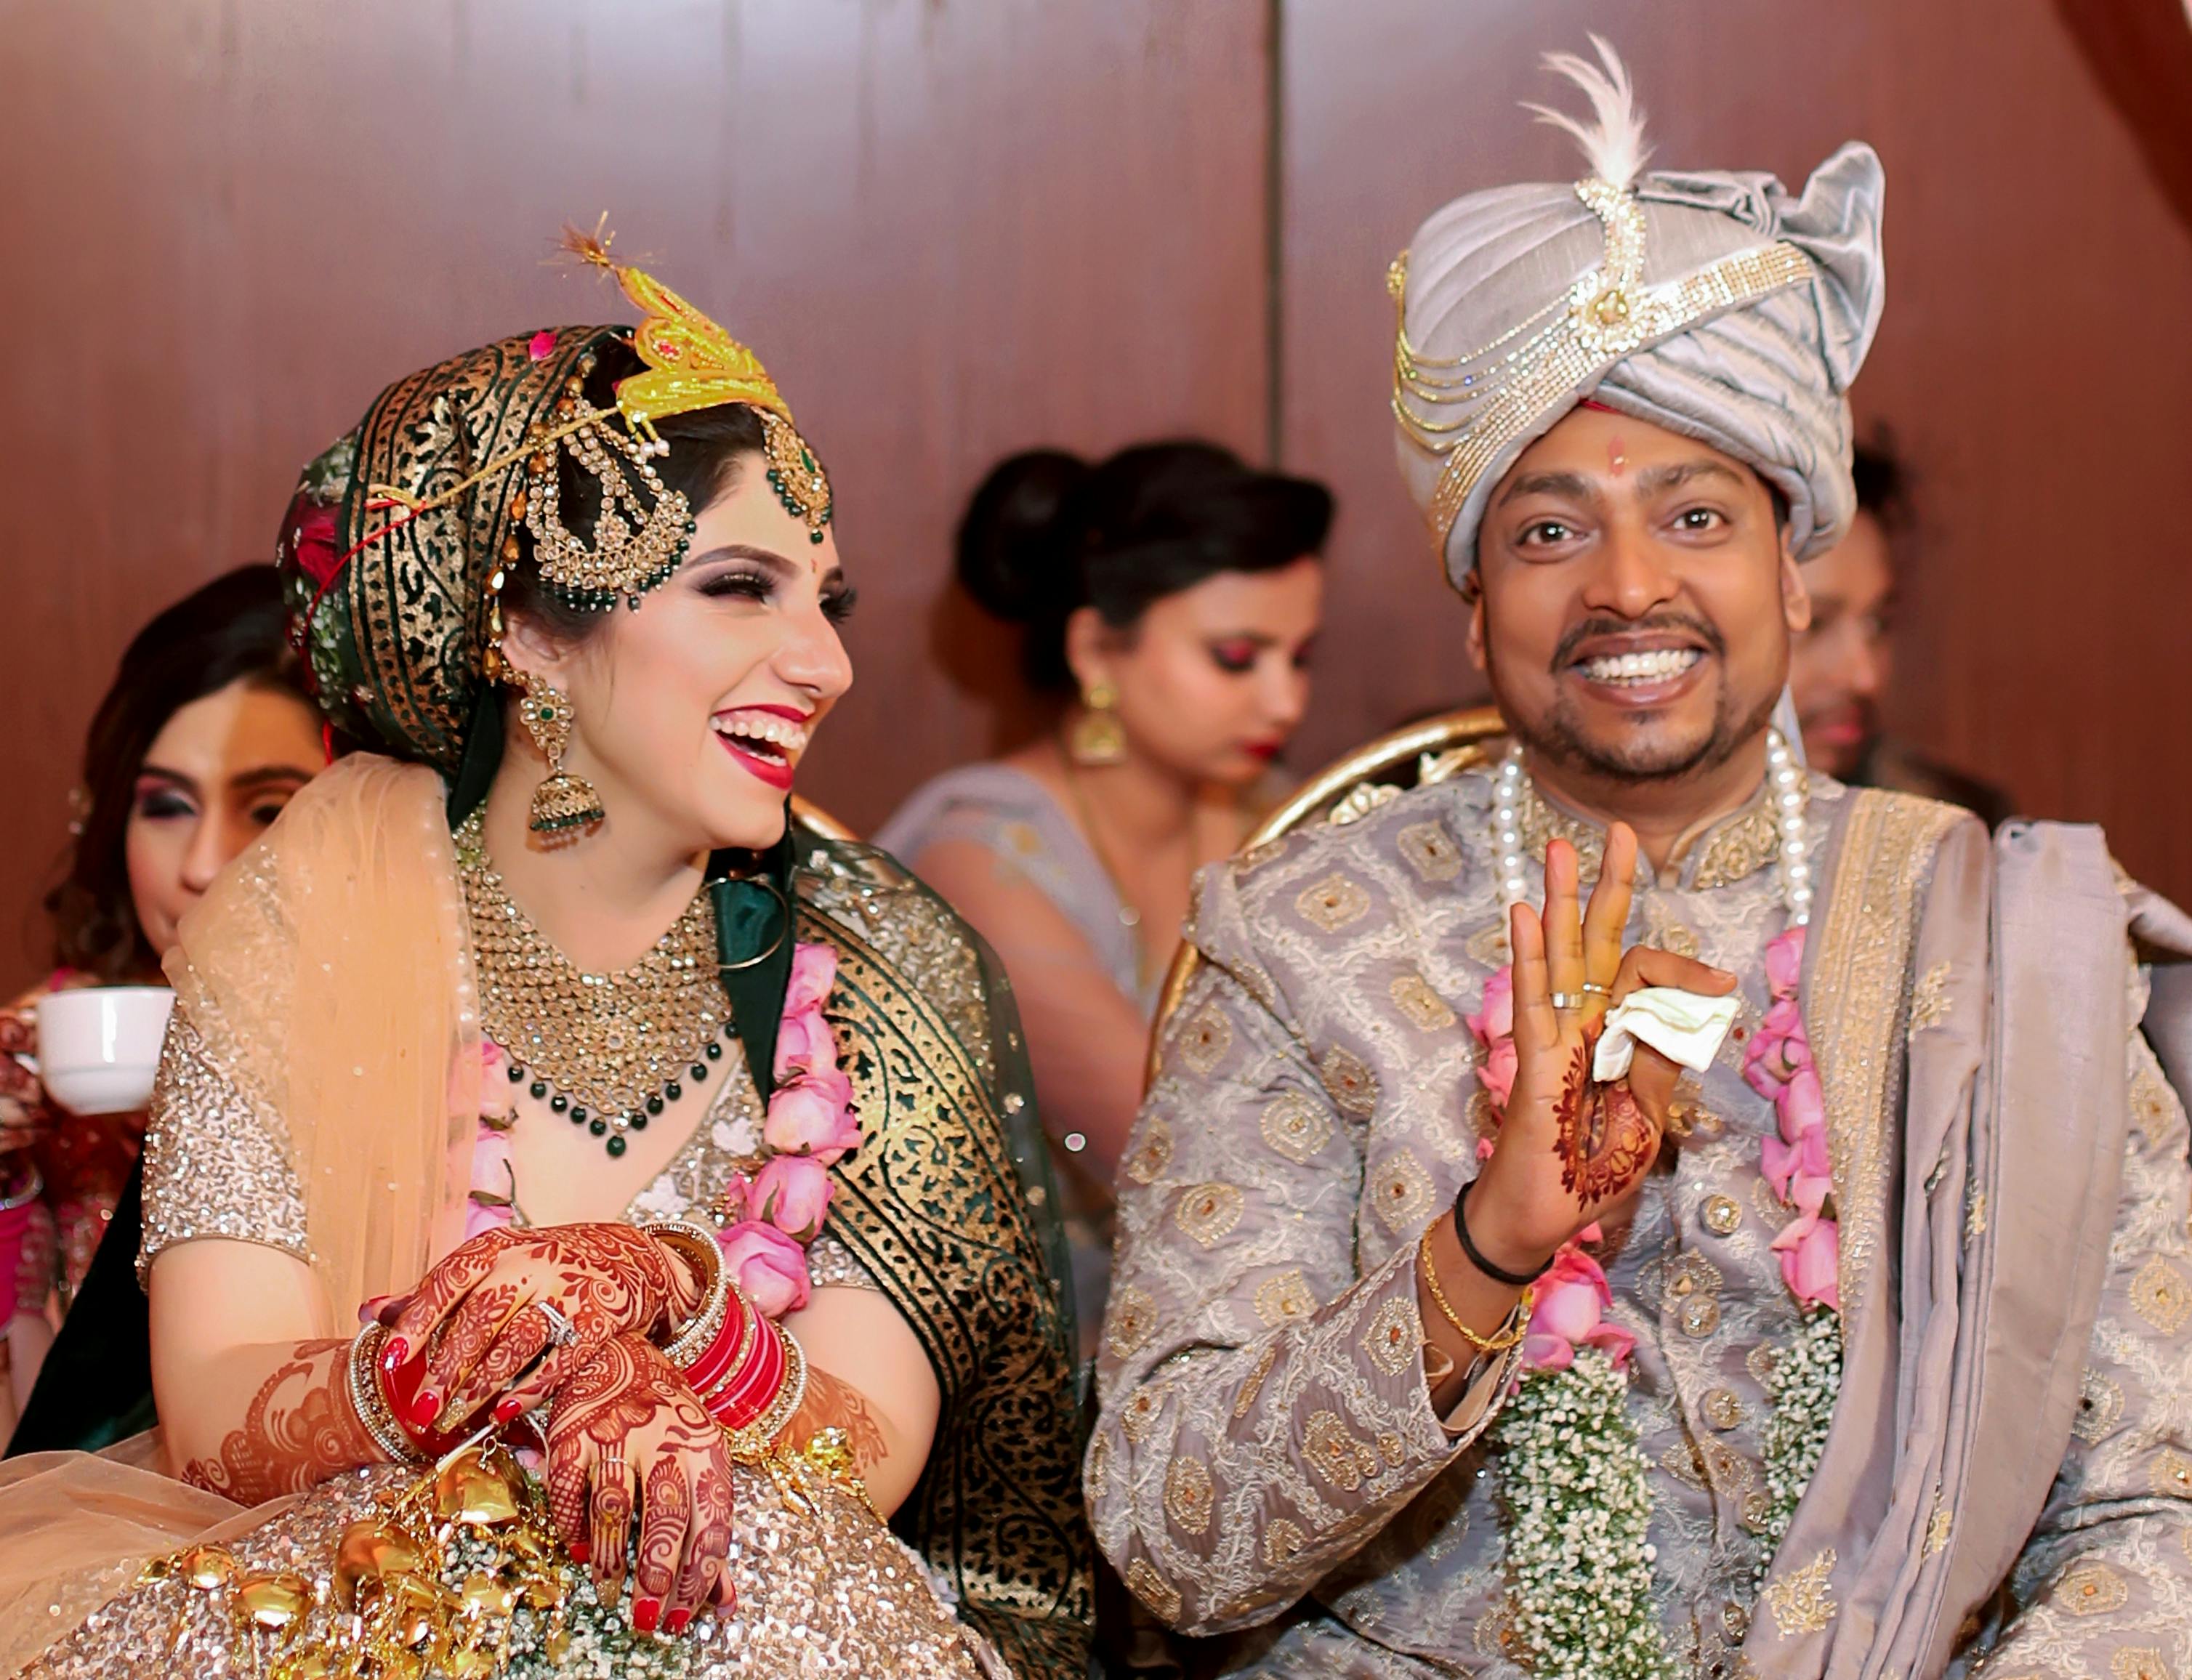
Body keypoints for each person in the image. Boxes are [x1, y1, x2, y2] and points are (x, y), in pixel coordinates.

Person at [1088, 41, 2191, 1679]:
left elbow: (2153, 1507)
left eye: (1692, 516)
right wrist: (1487, 1247)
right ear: (1472, 602)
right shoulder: (1297, 942)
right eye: (1543, 529)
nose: (1622, 586)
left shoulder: (1995, 943)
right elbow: (1170, 1541)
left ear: (1794, 570)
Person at [0, 239, 1089, 1678]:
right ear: (528, 631)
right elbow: (211, 1404)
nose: (821, 663)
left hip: (742, 1610)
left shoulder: (879, 958)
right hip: (352, 1603)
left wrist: (674, 1300)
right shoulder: (307, 914)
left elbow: (867, 1446)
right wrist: (476, 1351)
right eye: (742, 588)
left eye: (825, 598)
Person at [877, 443, 1329, 1358]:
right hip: (1040, 1377)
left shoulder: (1273, 813)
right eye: (1236, 656)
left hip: (1264, 1317)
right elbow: (1178, 1156)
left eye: (1300, 655)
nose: (1284, 698)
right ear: (1094, 648)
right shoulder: (981, 859)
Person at [0, 565, 326, 1447]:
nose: (201, 863)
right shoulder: (46, 1064)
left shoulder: (435, 1051)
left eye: (267, 807)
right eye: (166, 805)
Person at [1787, 437, 2015, 825]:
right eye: (1815, 625)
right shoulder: (1653, 858)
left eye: (1878, 624)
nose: (1866, 677)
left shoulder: (1955, 834)